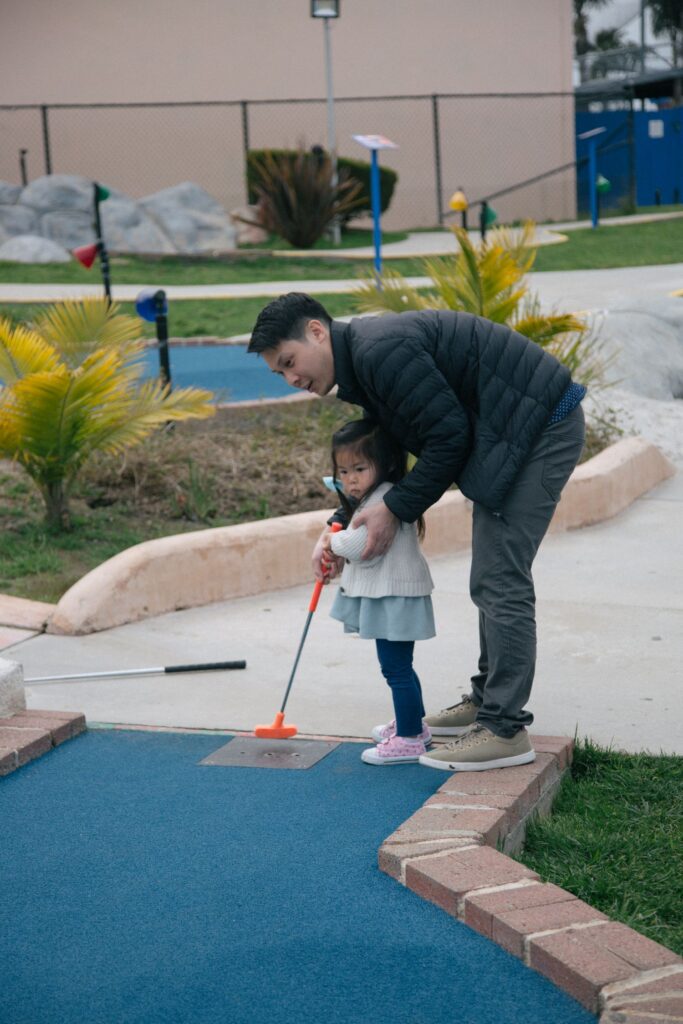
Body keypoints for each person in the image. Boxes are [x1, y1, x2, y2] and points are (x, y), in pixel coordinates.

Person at [248, 292, 587, 772]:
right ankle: (486, 700)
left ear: (318, 332)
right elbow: (387, 462)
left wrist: (394, 510)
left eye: (289, 362)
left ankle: (504, 728)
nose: (291, 378)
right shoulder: (361, 365)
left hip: (542, 425)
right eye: (279, 373)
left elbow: (449, 437)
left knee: (499, 579)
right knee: (489, 578)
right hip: (510, 429)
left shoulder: (378, 351)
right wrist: (339, 526)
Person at [324, 418, 435, 765]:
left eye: (359, 468)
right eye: (343, 471)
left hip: (395, 598)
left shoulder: (384, 496)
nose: (350, 479)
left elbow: (359, 547)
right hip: (394, 597)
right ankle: (414, 727)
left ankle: (408, 739)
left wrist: (332, 541)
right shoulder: (378, 495)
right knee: (402, 666)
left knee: (395, 669)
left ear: (385, 463)